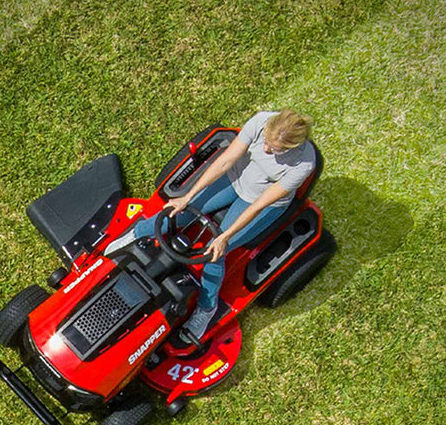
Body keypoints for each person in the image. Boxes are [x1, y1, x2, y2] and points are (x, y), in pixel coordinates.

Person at [106, 109, 317, 340]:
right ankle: (135, 234)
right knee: (179, 213)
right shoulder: (261, 120)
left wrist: (224, 236)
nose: (266, 149)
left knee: (215, 253)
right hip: (234, 177)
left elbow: (258, 205)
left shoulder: (302, 165)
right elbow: (225, 160)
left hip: (261, 201)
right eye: (266, 142)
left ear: (293, 147)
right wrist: (187, 197)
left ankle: (206, 308)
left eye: (275, 149)